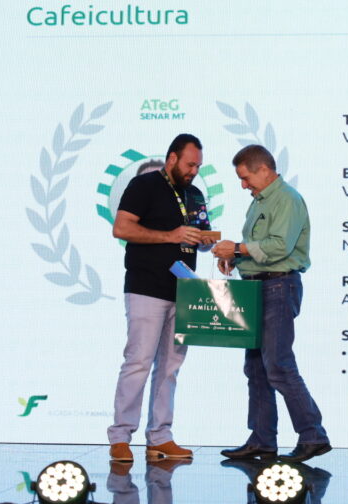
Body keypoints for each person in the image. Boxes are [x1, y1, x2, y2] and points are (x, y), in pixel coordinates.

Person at [212, 144, 331, 463]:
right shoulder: (259, 202)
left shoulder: (287, 199)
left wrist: (238, 248)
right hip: (256, 287)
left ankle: (313, 435)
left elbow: (279, 247)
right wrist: (234, 259)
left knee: (278, 364)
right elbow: (258, 247)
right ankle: (262, 440)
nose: (243, 185)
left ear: (264, 170)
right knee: (255, 368)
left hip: (278, 287)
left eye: (245, 177)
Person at [108, 133, 213, 462]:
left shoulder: (195, 194)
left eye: (198, 166)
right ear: (172, 159)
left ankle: (160, 436)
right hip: (146, 286)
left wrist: (208, 241)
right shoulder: (144, 186)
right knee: (138, 361)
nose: (194, 171)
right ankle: (121, 436)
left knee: (170, 367)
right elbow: (122, 229)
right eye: (190, 164)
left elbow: (201, 233)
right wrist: (171, 235)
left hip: (184, 290)